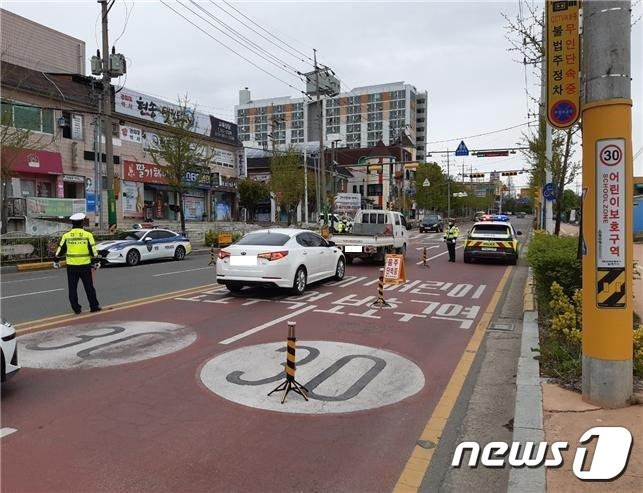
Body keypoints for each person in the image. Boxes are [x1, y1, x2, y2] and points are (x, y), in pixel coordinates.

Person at [54, 213, 102, 314]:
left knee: (72, 288)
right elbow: (93, 250)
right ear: (82, 223)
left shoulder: (66, 236)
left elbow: (60, 250)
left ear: (72, 223)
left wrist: (56, 260)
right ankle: (94, 306)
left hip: (71, 266)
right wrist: (96, 261)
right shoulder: (88, 235)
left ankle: (76, 309)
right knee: (89, 287)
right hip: (85, 265)